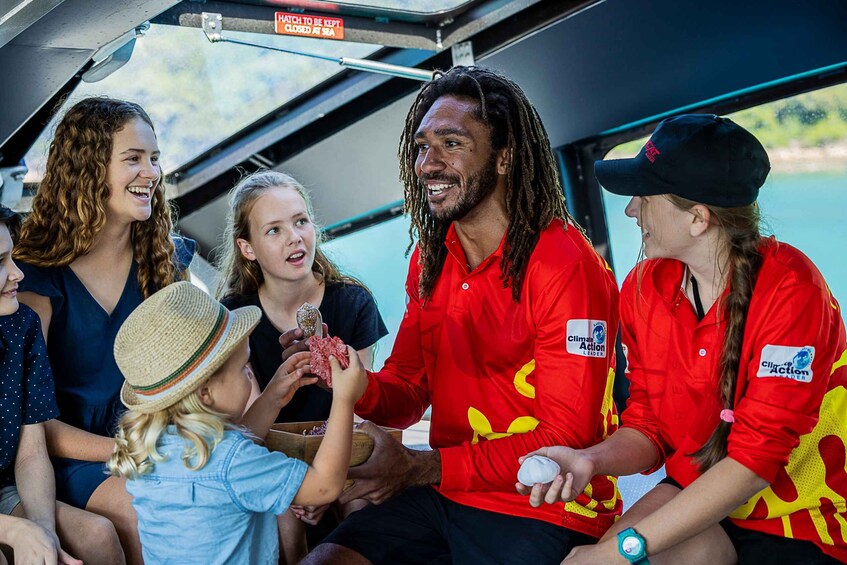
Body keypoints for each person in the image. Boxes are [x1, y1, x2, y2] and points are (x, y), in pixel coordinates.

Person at [305, 66, 621, 564]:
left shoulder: (565, 263)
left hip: (547, 507)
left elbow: (566, 436)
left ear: (504, 158)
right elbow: (407, 393)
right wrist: (345, 376)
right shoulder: (430, 262)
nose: (428, 163)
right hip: (446, 493)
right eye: (421, 146)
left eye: (451, 143)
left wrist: (417, 467)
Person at [519, 114, 847, 564]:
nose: (632, 211)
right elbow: (649, 424)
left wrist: (623, 552)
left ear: (697, 218)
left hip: (805, 518)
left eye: (644, 197)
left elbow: (753, 465)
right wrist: (591, 461)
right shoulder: (642, 287)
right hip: (697, 490)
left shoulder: (792, 291)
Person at [14, 97, 195, 563]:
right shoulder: (35, 277)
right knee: (146, 512)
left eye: (154, 158)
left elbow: (194, 375)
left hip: (151, 445)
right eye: (132, 159)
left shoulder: (166, 262)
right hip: (70, 457)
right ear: (88, 168)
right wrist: (126, 451)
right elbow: (28, 423)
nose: (150, 172)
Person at [106, 281, 367, 564]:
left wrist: (272, 397)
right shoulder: (233, 462)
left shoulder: (154, 449)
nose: (250, 375)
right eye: (244, 368)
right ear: (205, 392)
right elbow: (324, 487)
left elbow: (232, 446)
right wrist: (344, 399)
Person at [216, 170, 388, 562]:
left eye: (300, 221)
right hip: (273, 456)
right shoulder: (234, 316)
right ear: (248, 248)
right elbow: (250, 429)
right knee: (283, 515)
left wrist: (336, 370)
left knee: (359, 506)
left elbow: (362, 407)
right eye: (274, 230)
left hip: (344, 445)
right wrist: (301, 487)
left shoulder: (353, 303)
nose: (295, 236)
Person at [0, 205, 123, 565]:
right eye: (1, 261)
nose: (17, 273)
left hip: (6, 488)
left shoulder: (21, 326)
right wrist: (14, 531)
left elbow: (32, 452)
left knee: (96, 535)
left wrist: (44, 531)